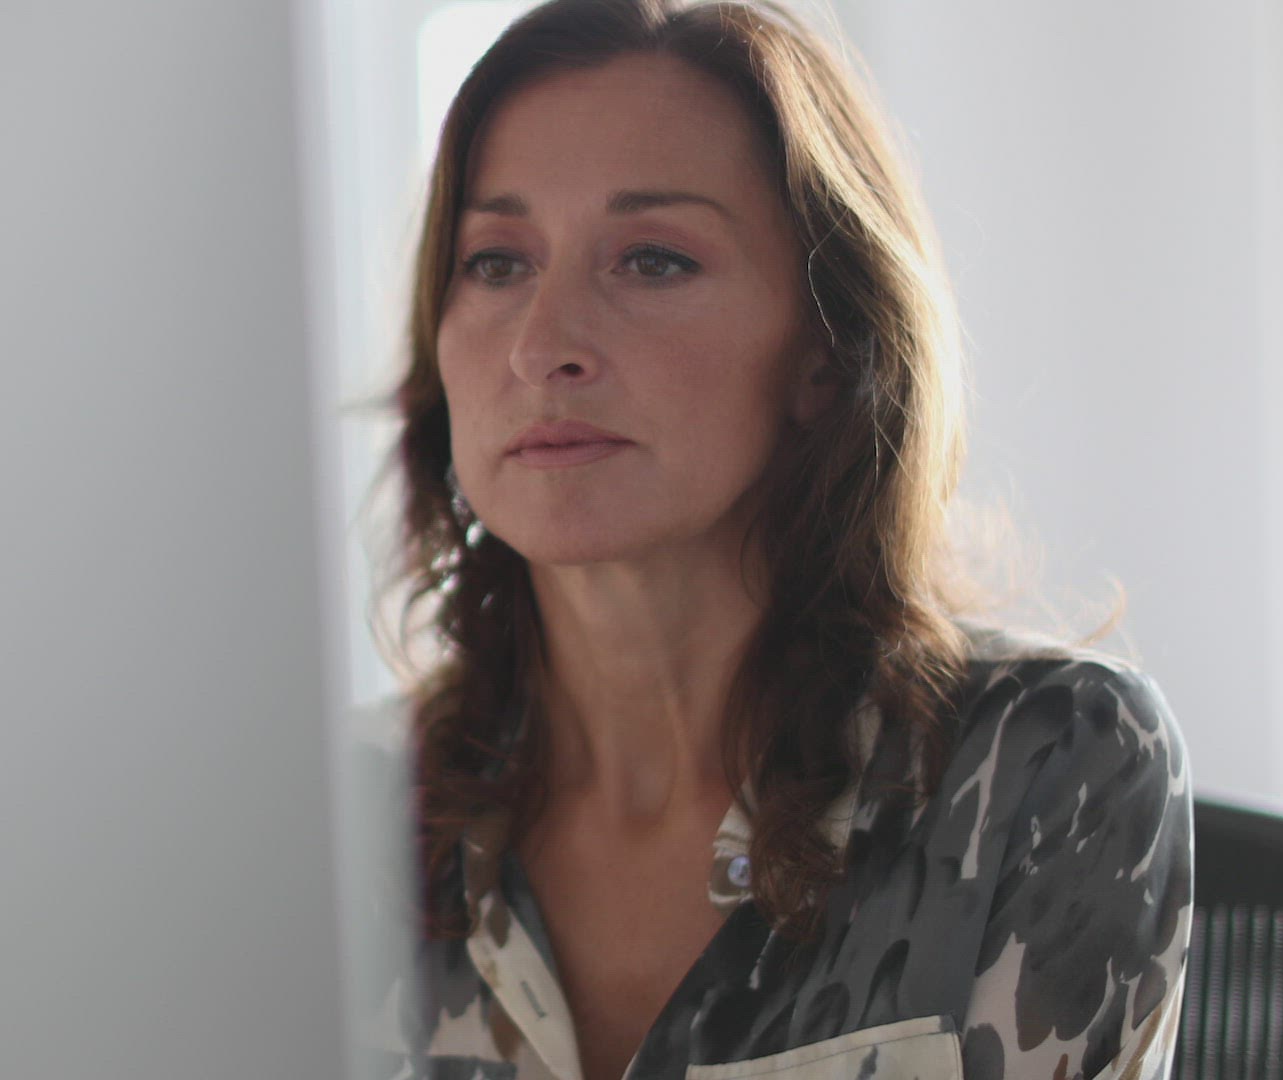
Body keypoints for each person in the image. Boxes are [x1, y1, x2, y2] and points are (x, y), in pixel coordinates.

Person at [357, 0, 1192, 1077]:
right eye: (496, 263)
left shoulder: (1043, 764)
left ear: (826, 352)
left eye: (651, 260)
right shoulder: (338, 818)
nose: (542, 345)